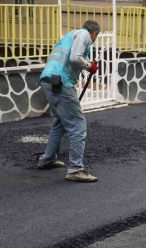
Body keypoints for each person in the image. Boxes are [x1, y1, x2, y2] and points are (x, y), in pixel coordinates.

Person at [37, 20, 100, 182]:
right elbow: (75, 57)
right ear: (94, 33)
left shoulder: (69, 36)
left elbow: (66, 61)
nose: (93, 40)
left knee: (61, 122)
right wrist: (89, 66)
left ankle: (48, 159)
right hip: (60, 82)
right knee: (78, 124)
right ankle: (75, 169)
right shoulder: (85, 34)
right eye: (95, 37)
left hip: (49, 80)